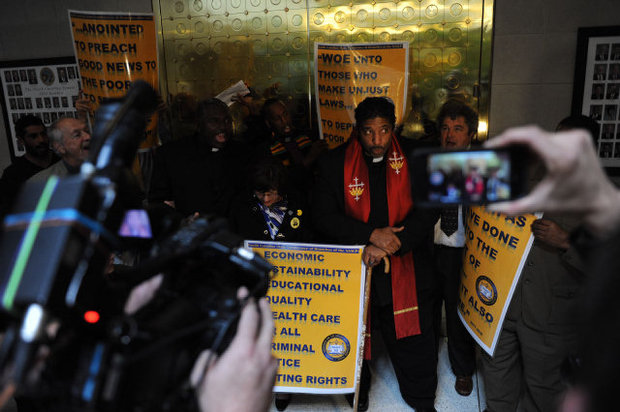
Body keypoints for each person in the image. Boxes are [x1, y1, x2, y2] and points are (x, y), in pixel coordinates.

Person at [313, 97, 438, 411]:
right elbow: (323, 215)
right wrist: (369, 236)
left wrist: (396, 242)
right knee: (355, 335)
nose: (377, 140)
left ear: (394, 127)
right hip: (358, 265)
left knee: (413, 337)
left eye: (384, 131)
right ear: (358, 130)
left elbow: (430, 207)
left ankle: (420, 398)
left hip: (406, 264)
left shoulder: (417, 156)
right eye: (368, 132)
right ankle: (359, 393)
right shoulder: (333, 163)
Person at [484, 125, 620, 412]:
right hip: (505, 302)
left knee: (543, 385)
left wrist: (566, 241)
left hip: (550, 313)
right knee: (498, 371)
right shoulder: (526, 178)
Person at [432, 98, 478, 396]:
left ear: (470, 134)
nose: (450, 135)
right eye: (446, 128)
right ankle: (425, 365)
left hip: (465, 251)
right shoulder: (427, 162)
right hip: (430, 248)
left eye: (458, 128)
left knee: (459, 314)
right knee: (426, 309)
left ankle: (462, 370)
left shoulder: (484, 166)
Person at [149, 98, 247, 218]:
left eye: (227, 121)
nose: (222, 127)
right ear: (198, 124)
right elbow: (158, 203)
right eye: (214, 121)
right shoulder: (171, 155)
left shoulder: (242, 153)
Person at [229, 159, 311, 244]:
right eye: (260, 193)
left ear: (280, 187)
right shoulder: (242, 205)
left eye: (271, 193)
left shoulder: (297, 202)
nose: (266, 199)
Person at [0, 115, 59, 213]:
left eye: (43, 134)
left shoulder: (62, 160)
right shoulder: (13, 174)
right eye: (33, 136)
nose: (41, 140)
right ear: (21, 141)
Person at [29, 117, 91, 182]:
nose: (88, 137)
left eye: (87, 131)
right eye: (77, 135)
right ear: (60, 147)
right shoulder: (41, 182)